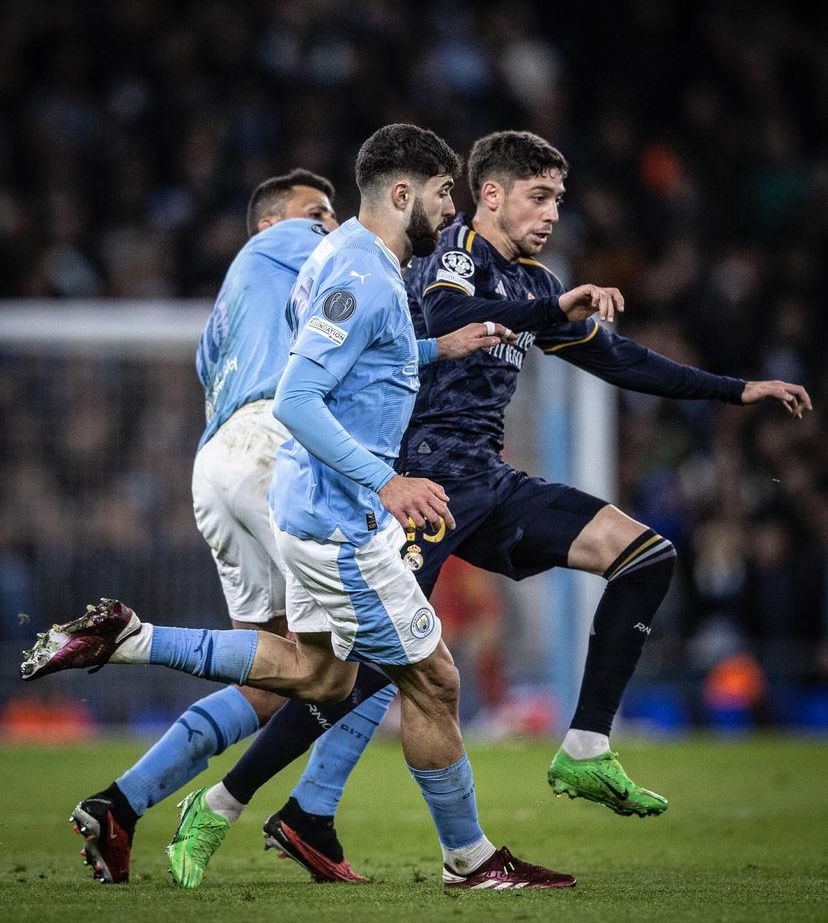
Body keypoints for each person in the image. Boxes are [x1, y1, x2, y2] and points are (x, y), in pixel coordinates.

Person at [141, 128, 813, 885]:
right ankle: (239, 802)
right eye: (539, 195)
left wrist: (737, 389)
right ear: (489, 194)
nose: (553, 211)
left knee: (643, 553)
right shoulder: (452, 252)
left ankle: (586, 746)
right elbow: (442, 312)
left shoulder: (532, 285)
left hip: (485, 485)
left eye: (559, 197)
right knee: (358, 675)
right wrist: (552, 304)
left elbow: (620, 359)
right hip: (416, 487)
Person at [21, 123, 578, 890]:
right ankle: (470, 859)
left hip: (294, 494)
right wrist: (385, 482)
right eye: (446, 194)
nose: (452, 214)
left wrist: (431, 351)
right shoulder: (358, 268)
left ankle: (133, 638)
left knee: (317, 676)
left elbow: (330, 353)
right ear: (404, 193)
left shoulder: (339, 259)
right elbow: (296, 396)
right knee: (435, 678)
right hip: (339, 512)